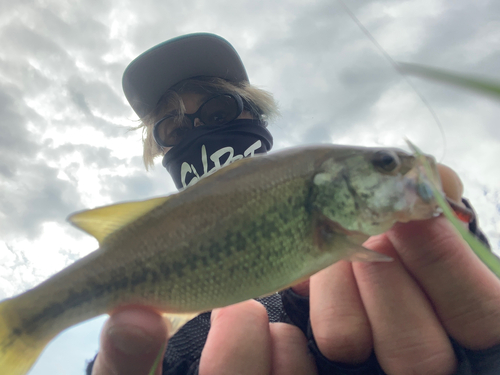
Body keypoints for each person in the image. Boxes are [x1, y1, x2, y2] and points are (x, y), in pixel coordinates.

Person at [87, 33, 500, 375]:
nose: (196, 130)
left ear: (256, 119)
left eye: (218, 109)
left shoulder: (361, 218)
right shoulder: (154, 306)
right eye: (173, 129)